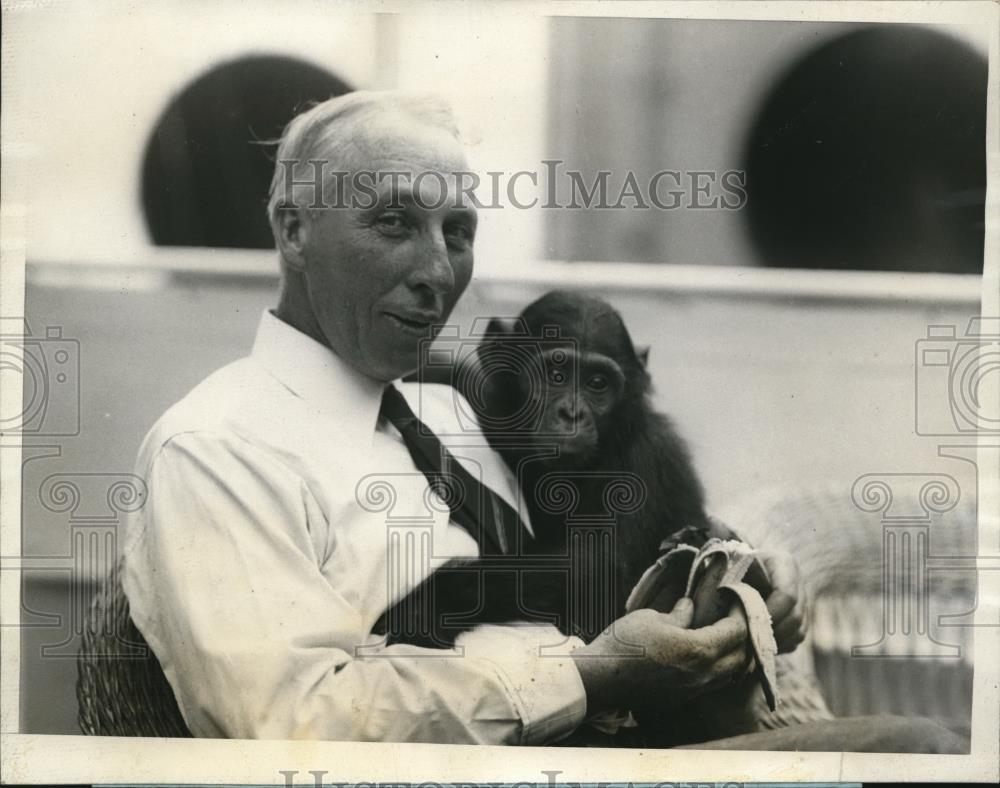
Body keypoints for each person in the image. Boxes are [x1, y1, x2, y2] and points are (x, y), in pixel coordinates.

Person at [120, 90, 959, 751]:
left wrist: (740, 586)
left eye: (458, 230)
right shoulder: (218, 449)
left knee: (928, 749)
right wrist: (594, 677)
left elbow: (620, 518)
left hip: (616, 735)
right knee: (921, 749)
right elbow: (286, 726)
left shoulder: (445, 405)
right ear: (293, 232)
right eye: (394, 223)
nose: (437, 269)